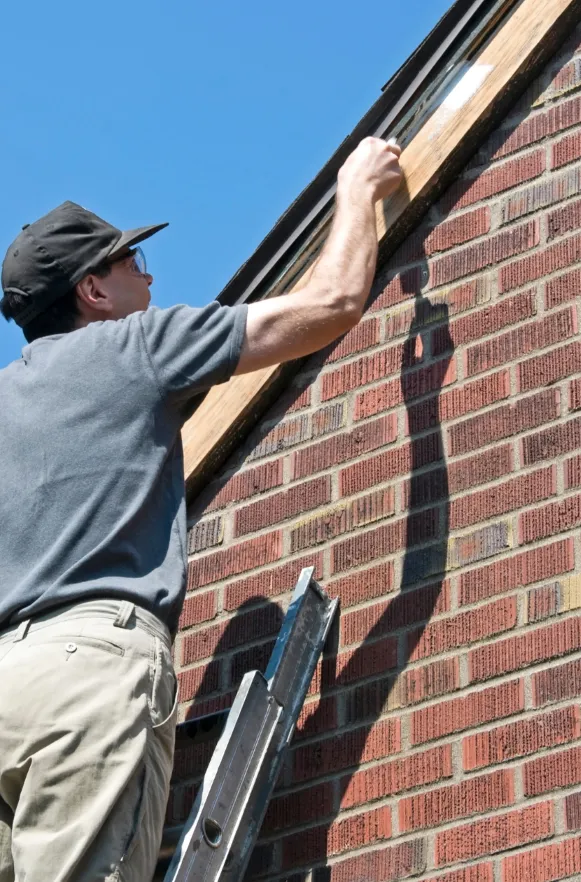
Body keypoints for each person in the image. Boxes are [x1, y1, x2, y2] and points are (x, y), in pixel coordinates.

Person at [0, 136, 402, 882]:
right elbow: (329, 304)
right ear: (93, 292)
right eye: (133, 268)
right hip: (85, 670)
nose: (149, 286)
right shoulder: (135, 348)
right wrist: (357, 192)